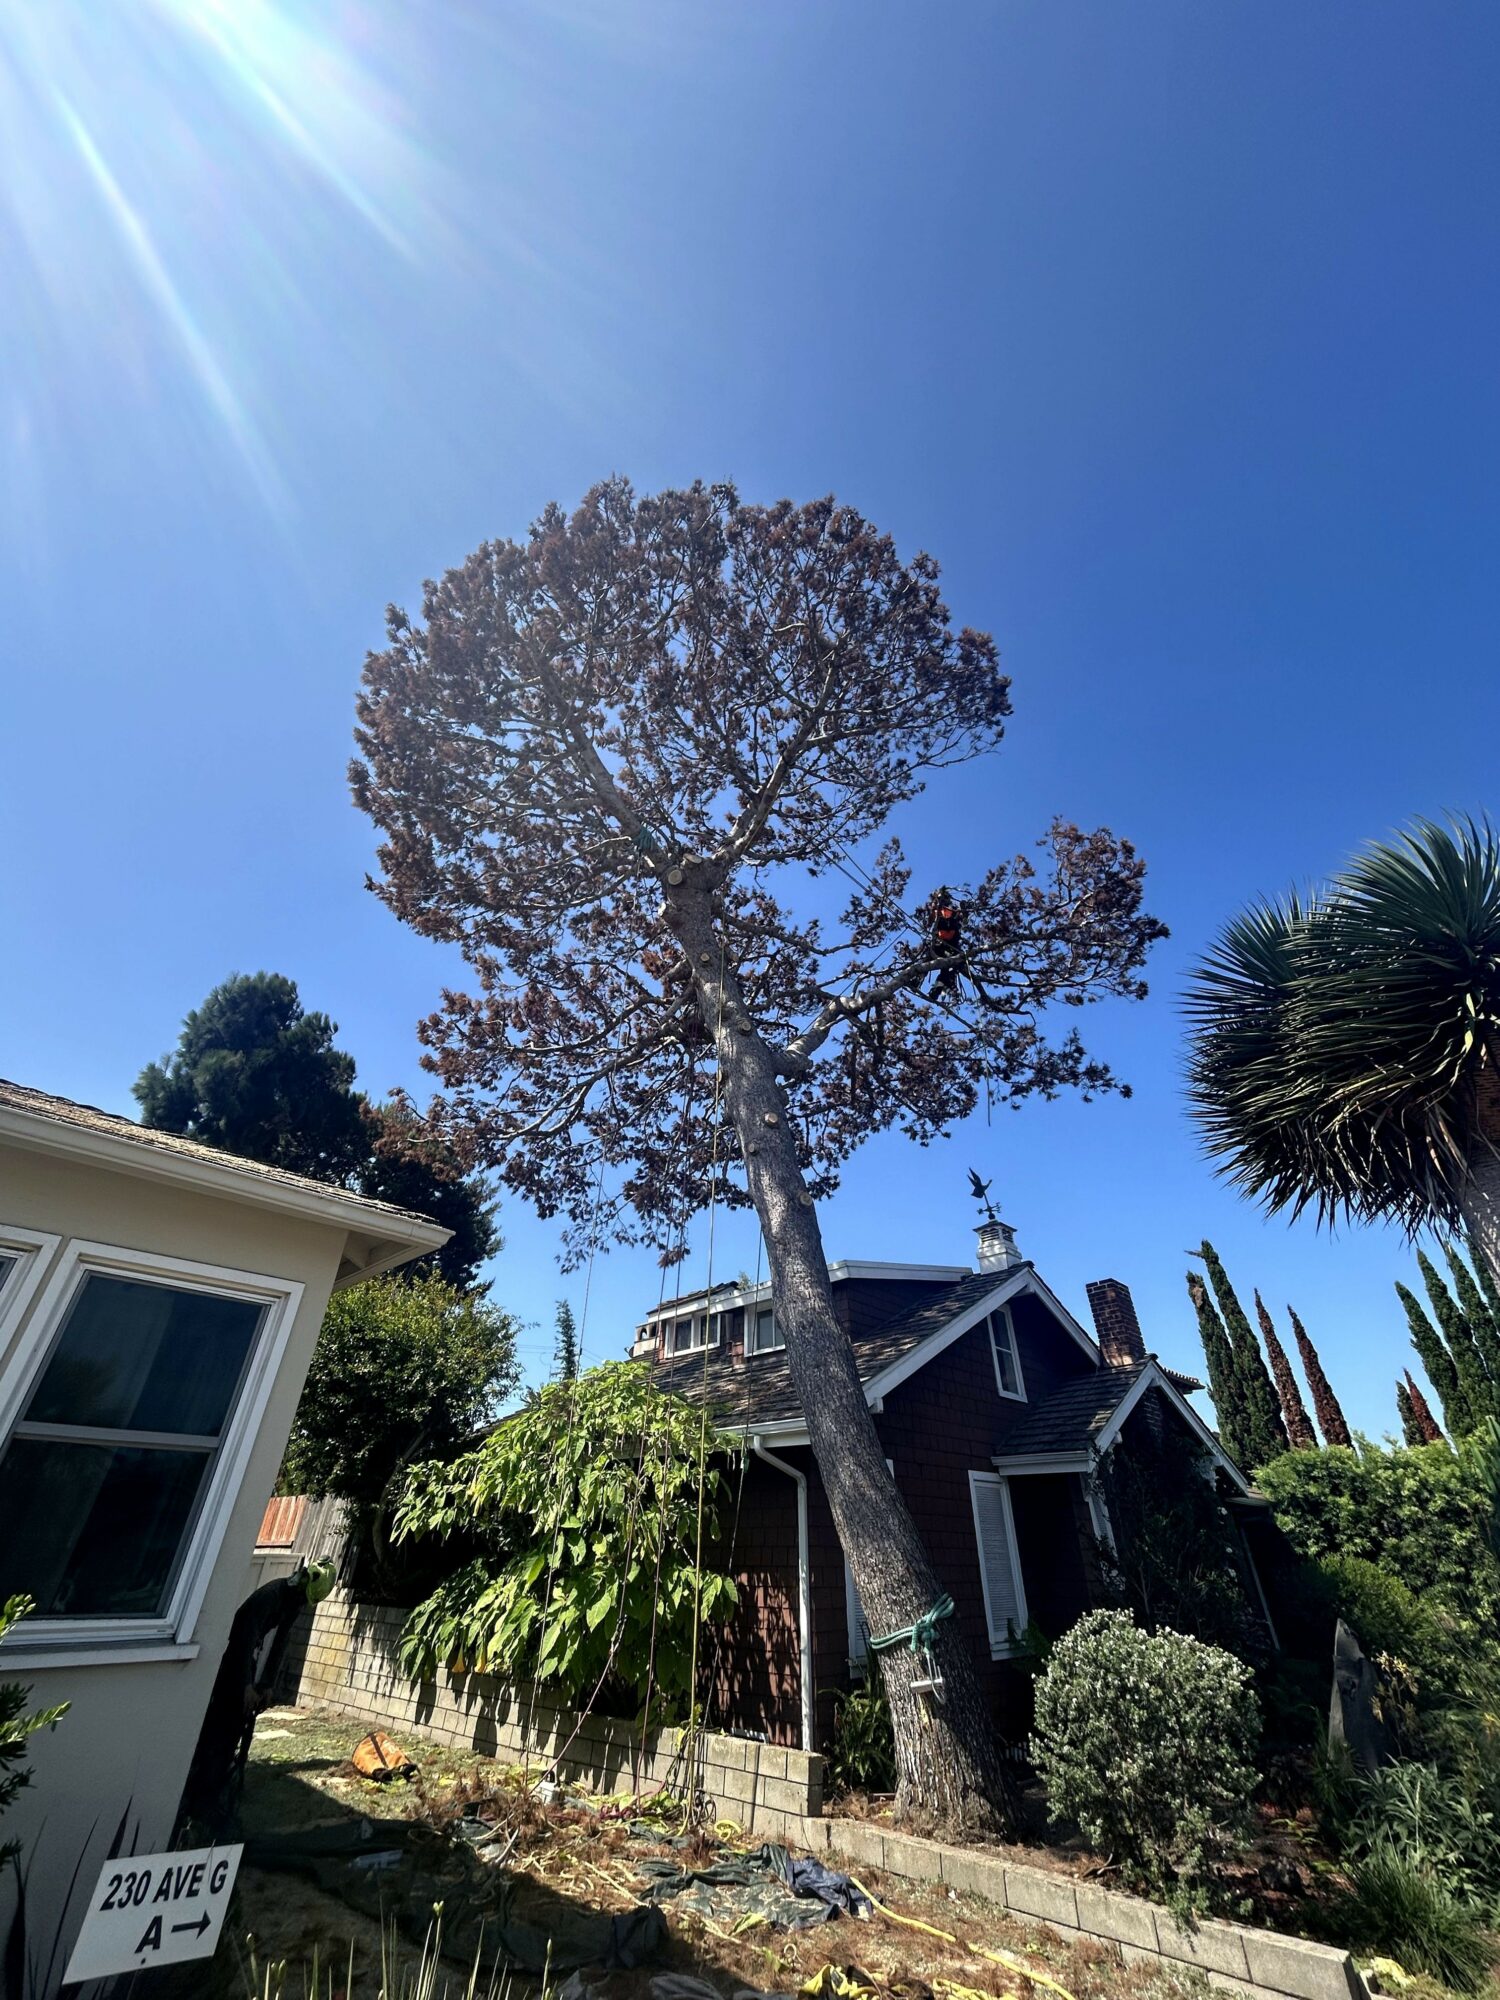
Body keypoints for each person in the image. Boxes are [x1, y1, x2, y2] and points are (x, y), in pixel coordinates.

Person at [179, 1558, 337, 1834]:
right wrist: (245, 1686)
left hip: (245, 1660)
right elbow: (243, 1640)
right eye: (304, 1597)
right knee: (220, 1728)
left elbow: (281, 1642)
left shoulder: (293, 1602)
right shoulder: (270, 1596)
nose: (303, 1602)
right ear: (302, 1585)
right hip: (229, 1659)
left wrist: (267, 1685)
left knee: (233, 1731)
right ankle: (199, 1795)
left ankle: (213, 1786)